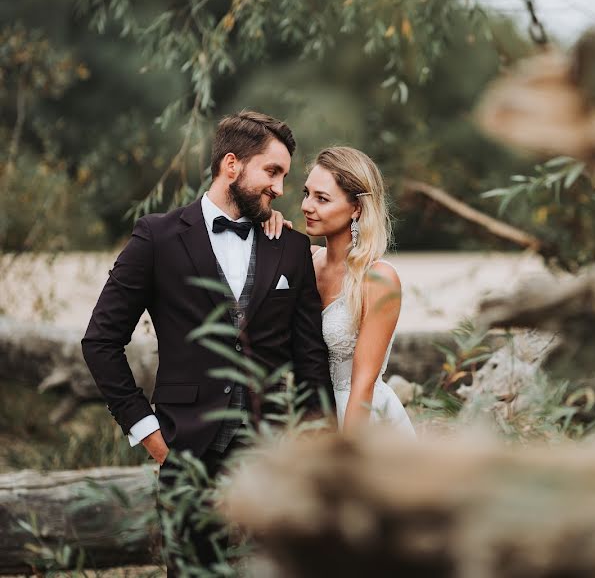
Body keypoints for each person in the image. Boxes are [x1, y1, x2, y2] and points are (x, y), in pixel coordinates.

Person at [81, 110, 334, 576]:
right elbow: (100, 342)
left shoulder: (291, 247)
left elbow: (311, 360)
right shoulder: (156, 237)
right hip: (187, 452)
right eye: (272, 172)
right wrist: (151, 437)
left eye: (284, 176)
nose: (280, 188)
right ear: (232, 165)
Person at [266, 146, 415, 435]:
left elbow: (364, 383)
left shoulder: (379, 279)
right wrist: (270, 232)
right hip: (307, 416)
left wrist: (345, 458)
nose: (307, 206)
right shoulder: (304, 261)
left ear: (356, 208)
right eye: (306, 194)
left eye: (322, 199)